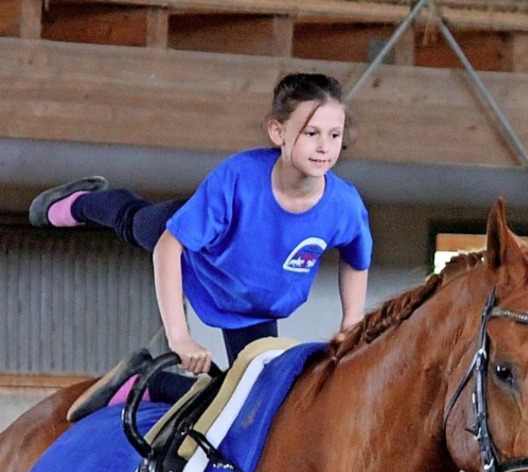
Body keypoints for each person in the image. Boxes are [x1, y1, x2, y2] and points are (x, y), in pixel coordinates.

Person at [29, 72, 372, 418]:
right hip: (194, 253)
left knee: (250, 404)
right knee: (133, 222)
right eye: (311, 133)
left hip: (249, 309)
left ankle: (149, 382)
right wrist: (179, 338)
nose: (325, 147)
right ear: (277, 132)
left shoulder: (344, 205)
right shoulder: (238, 178)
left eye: (335, 134)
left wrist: (352, 321)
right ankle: (77, 203)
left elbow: (355, 257)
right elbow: (168, 248)